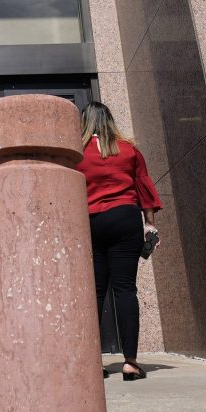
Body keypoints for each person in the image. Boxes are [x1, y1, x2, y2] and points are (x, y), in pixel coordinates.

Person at [76, 102, 162, 382]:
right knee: (126, 289)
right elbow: (143, 185)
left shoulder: (76, 152)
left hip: (91, 221)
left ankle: (93, 362)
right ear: (110, 121)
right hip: (125, 218)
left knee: (96, 293)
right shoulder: (129, 149)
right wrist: (150, 224)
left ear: (85, 122)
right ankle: (130, 363)